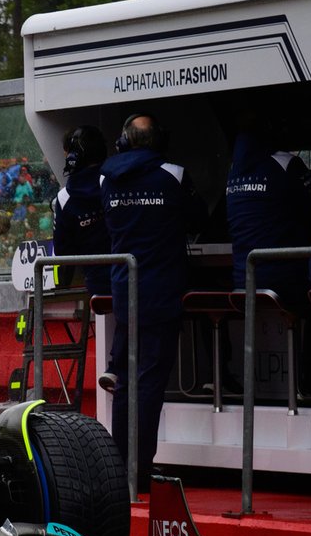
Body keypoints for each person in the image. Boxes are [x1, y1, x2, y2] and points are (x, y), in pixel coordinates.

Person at [100, 113, 206, 490]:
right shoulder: (174, 174)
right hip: (162, 291)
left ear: (125, 141)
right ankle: (139, 472)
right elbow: (198, 217)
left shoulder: (105, 177)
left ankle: (121, 468)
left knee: (127, 383)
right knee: (148, 384)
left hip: (124, 289)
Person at [226, 122, 311, 396]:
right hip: (282, 281)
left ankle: (222, 377)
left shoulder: (233, 172)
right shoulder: (286, 164)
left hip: (243, 284)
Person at [52, 125, 117, 391]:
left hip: (98, 286)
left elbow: (64, 253)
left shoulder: (64, 197)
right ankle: (116, 367)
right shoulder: (115, 181)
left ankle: (115, 368)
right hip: (134, 281)